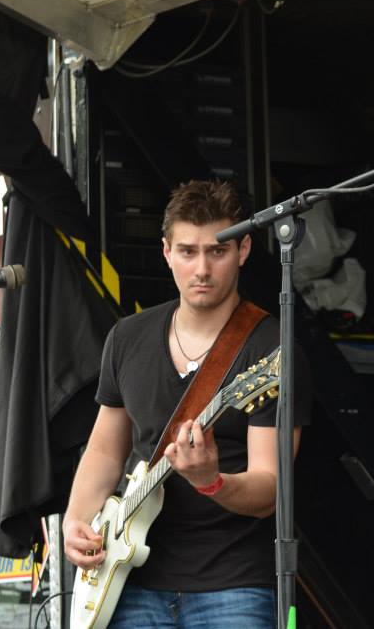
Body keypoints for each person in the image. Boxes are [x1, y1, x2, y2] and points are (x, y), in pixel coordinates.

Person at [63, 180, 312, 627]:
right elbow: (104, 449)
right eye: (187, 251)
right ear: (166, 251)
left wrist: (211, 481)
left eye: (217, 251)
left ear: (244, 249)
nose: (202, 269)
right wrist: (75, 520)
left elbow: (270, 488)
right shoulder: (127, 337)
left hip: (233, 583)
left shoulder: (273, 345)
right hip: (128, 580)